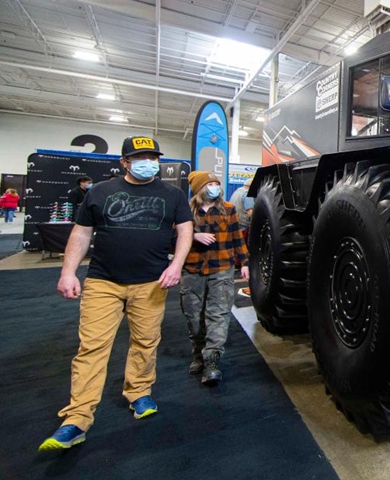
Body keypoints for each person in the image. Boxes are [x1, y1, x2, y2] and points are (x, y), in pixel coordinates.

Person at [38, 136, 193, 451]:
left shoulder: (173, 194)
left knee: (146, 342)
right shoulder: (100, 192)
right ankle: (77, 419)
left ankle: (139, 393)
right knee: (92, 347)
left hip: (151, 283)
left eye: (153, 156)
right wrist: (68, 272)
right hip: (103, 282)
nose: (148, 162)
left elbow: (185, 231)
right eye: (140, 157)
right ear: (124, 162)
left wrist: (176, 265)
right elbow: (81, 232)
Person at [182, 171, 249, 386]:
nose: (214, 187)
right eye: (210, 184)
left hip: (222, 267)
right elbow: (170, 236)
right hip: (192, 268)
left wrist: (245, 262)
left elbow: (237, 238)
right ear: (200, 188)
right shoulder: (185, 210)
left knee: (218, 313)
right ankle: (198, 356)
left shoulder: (228, 210)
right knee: (194, 315)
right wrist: (192, 236)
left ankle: (212, 361)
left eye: (216, 183)